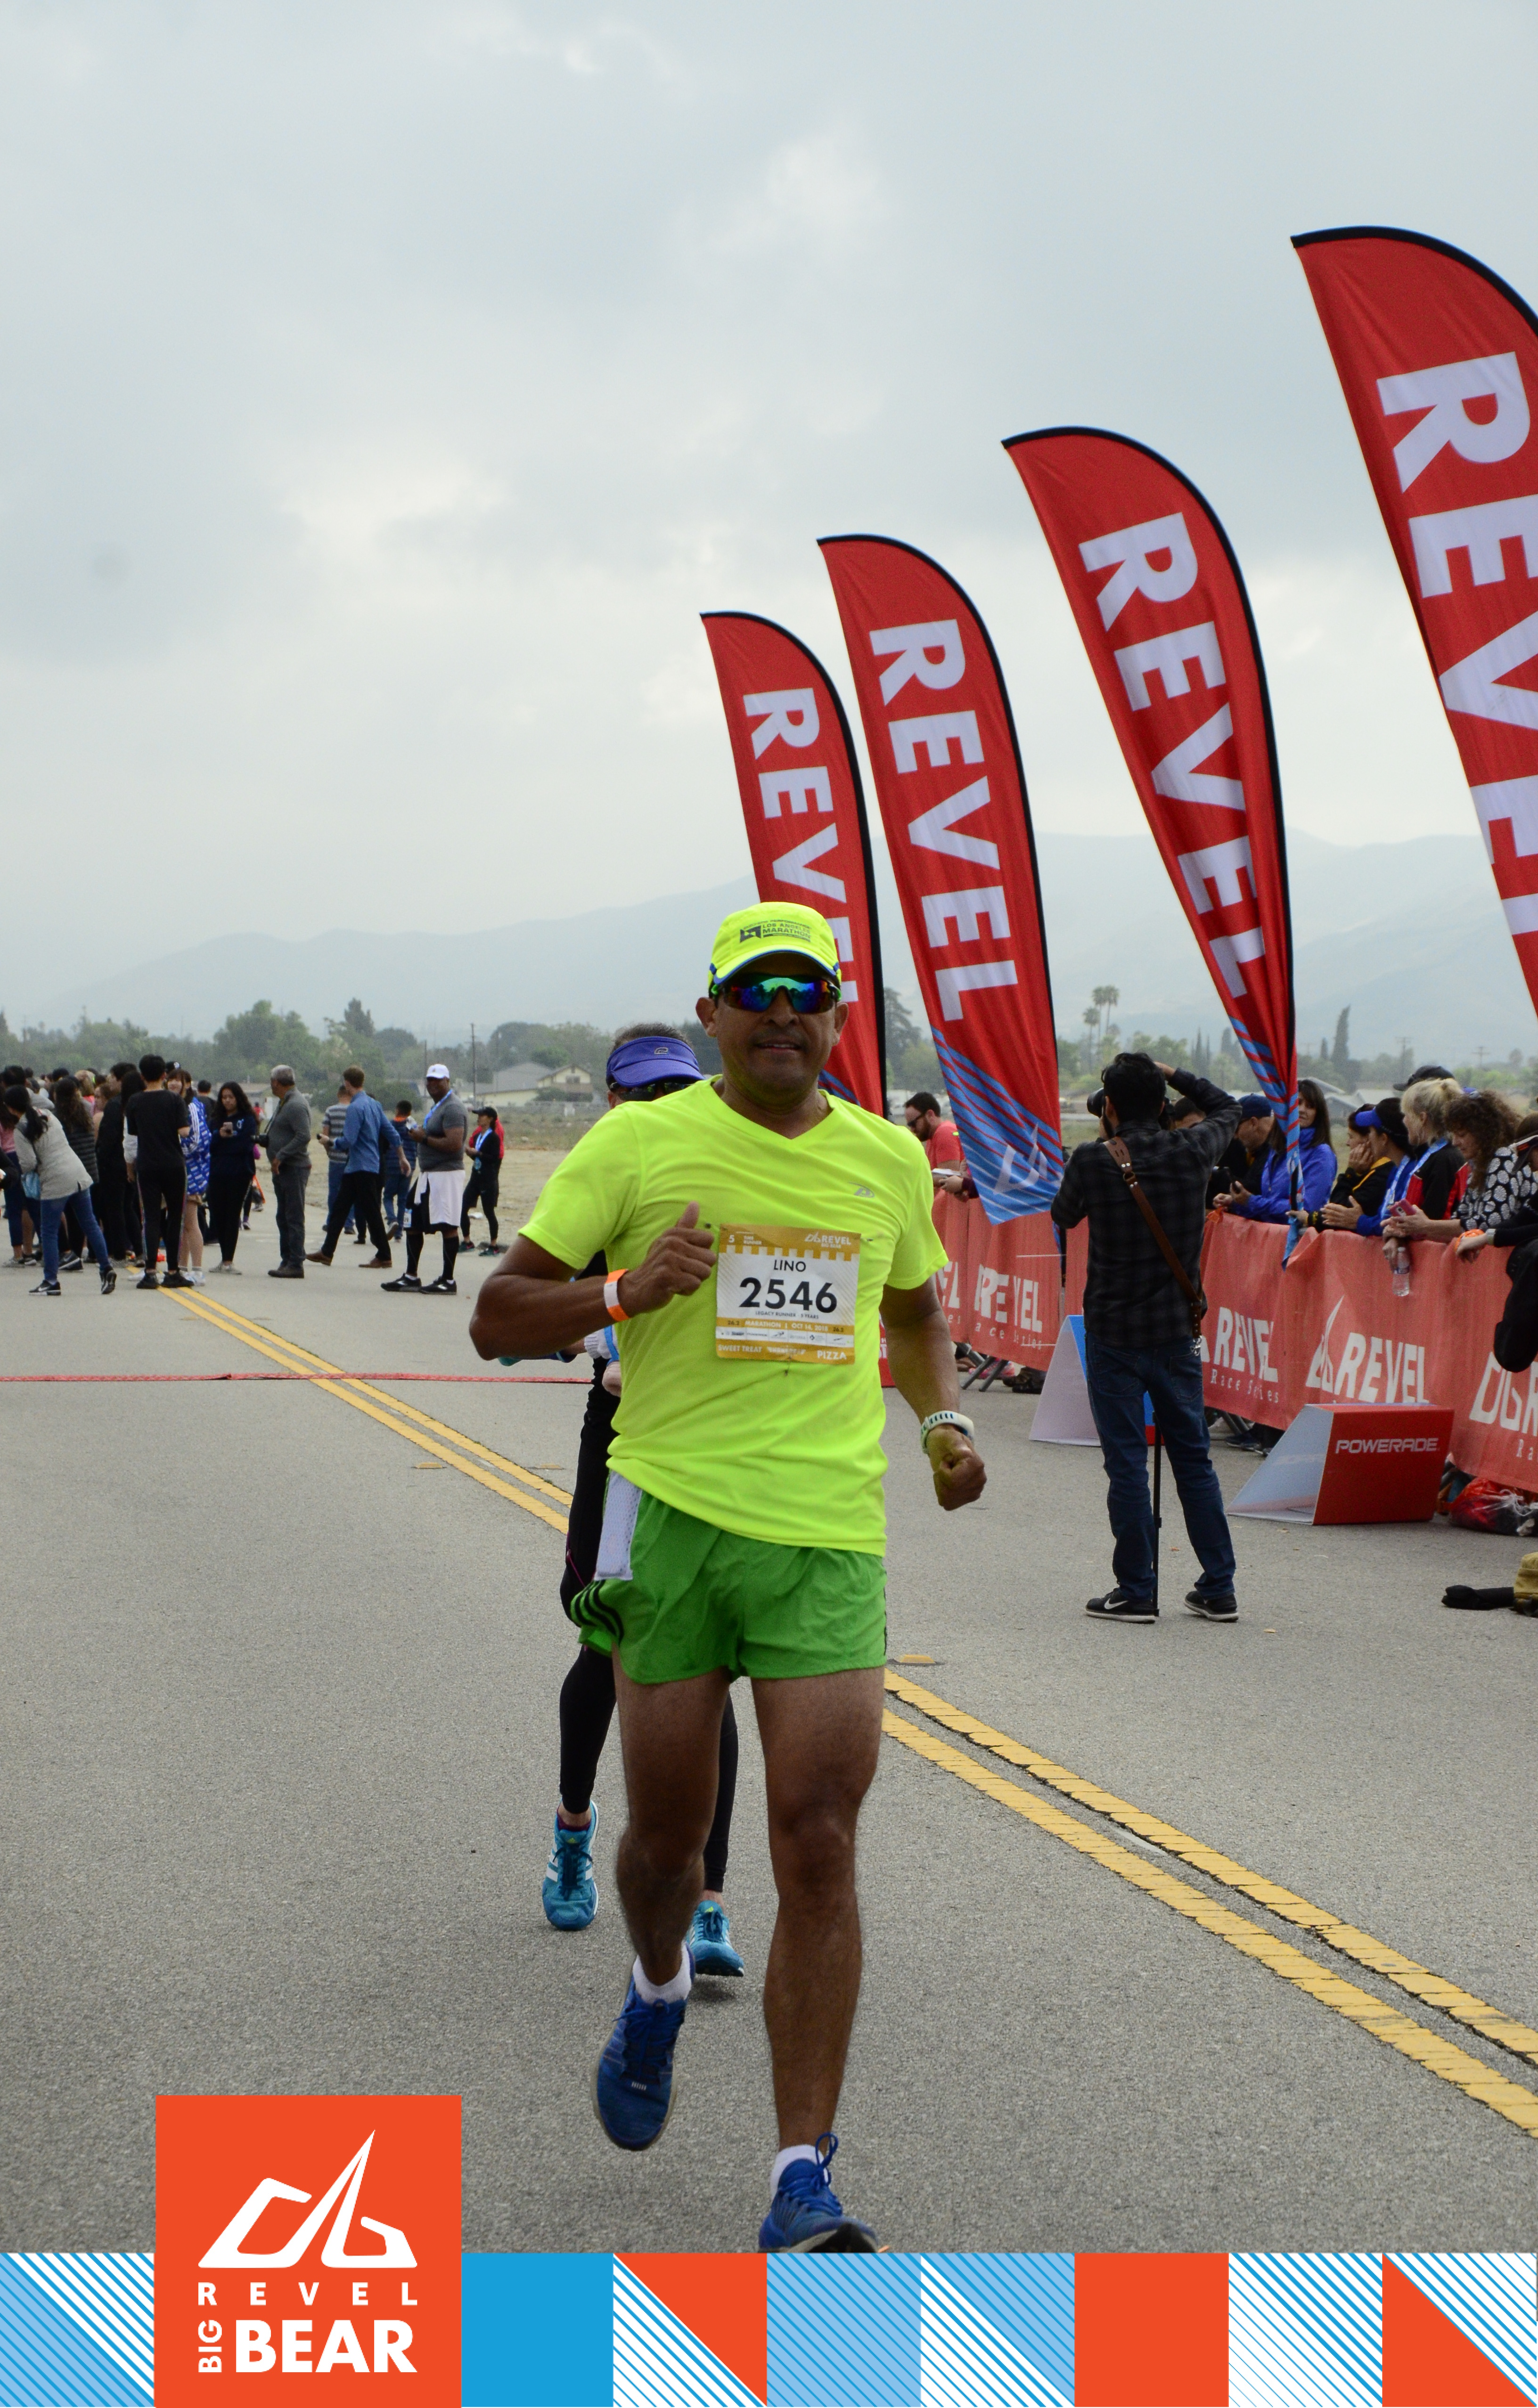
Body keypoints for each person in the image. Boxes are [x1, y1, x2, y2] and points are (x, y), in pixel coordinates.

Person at [469, 901, 985, 2253]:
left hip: (826, 1534)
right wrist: (622, 1291)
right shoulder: (637, 1145)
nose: (784, 1015)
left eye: (808, 993)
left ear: (840, 1018)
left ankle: (801, 2174)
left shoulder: (887, 1159)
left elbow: (916, 1311)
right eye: (758, 992)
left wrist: (941, 1421)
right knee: (666, 1840)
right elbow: (495, 1317)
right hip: (672, 1521)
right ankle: (653, 1989)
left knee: (818, 1838)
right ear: (713, 1015)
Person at [540, 1027, 744, 1979]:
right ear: (614, 1099)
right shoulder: (602, 1173)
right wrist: (607, 1328)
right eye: (645, 1092)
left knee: (710, 1665)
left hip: (716, 1437)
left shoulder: (729, 1172)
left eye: (676, 1089)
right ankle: (573, 1829)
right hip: (624, 1436)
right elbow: (537, 1309)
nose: (662, 1107)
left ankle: (708, 1902)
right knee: (606, 1646)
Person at [1052, 1054, 1240, 1625]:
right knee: (1194, 1460)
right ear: (1163, 1105)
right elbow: (1227, 1107)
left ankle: (1137, 1589)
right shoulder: (1192, 1149)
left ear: (1108, 1106)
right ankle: (1218, 1586)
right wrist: (1176, 1072)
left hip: (1113, 1335)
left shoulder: (1093, 1159)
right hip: (1176, 1332)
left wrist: (1102, 1144)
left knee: (1128, 1464)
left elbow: (1064, 1213)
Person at [0, 1086, 115, 1295]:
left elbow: (28, 1163)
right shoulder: (47, 1114)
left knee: (49, 1231)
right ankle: (106, 1268)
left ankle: (51, 1280)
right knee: (89, 1222)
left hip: (54, 1180)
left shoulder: (21, 1130)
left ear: (10, 1108)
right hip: (77, 1171)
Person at [1391, 1089, 1529, 1245]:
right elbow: (1460, 1222)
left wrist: (1427, 1225)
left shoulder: (1504, 1158)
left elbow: (1490, 1223)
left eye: (1462, 1135)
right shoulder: (1479, 1166)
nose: (1455, 1142)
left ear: (1484, 1133)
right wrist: (1406, 1230)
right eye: (1453, 1135)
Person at [383, 1065, 466, 1296]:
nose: (433, 1084)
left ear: (448, 1081)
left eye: (438, 1080)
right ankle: (411, 1276)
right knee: (411, 1221)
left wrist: (424, 1138)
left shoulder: (453, 1108)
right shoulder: (438, 1107)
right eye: (430, 1080)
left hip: (446, 1174)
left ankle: (448, 1280)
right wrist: (421, 1133)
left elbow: (454, 1144)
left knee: (448, 1225)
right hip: (429, 1175)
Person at [307, 1068, 401, 1269]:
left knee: (370, 1211)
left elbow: (348, 1140)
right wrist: (402, 1157)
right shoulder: (375, 1105)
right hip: (368, 1165)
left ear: (347, 1083)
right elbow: (391, 1133)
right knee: (341, 1208)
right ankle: (327, 1251)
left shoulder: (355, 1108)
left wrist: (330, 1141)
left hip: (359, 1166)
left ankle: (384, 1255)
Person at [125, 1054, 191, 1290]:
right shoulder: (174, 1100)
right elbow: (184, 1132)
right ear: (164, 1075)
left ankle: (151, 1271)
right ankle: (173, 1271)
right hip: (173, 1164)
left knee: (150, 1217)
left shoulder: (135, 1101)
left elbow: (133, 1134)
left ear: (142, 1076)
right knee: (175, 1217)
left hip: (147, 1164)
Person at [1310, 1100, 1406, 1233]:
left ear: (1370, 1140)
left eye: (1351, 1137)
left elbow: (1337, 1212)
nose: (1348, 1143)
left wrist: (1350, 1174)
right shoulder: (1376, 1170)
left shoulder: (1383, 1175)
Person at [262, 1066, 313, 1278]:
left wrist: (281, 1155)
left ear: (276, 1082)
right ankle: (287, 1259)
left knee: (293, 1216)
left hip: (294, 1167)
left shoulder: (296, 1104)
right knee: (283, 1216)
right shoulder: (286, 1102)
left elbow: (304, 1135)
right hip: (283, 1169)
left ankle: (296, 1262)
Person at [207, 1082, 261, 1271]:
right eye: (224, 1097)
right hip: (217, 1172)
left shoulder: (248, 1119)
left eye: (231, 1097)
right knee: (218, 1215)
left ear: (238, 1098)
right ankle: (224, 1258)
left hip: (239, 1172)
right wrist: (219, 1136)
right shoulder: (216, 1119)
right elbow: (209, 1144)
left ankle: (229, 1261)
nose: (228, 1101)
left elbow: (246, 1145)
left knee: (232, 1215)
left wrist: (229, 1143)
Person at [94, 1064, 143, 1263]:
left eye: (112, 1077)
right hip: (134, 1163)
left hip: (114, 1164)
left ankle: (119, 1252)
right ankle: (140, 1250)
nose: (110, 1080)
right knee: (129, 1208)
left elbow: (108, 1138)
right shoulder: (141, 1102)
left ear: (121, 1080)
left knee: (115, 1210)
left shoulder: (116, 1105)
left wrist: (101, 1160)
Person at [50, 1077, 99, 1270]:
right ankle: (77, 1254)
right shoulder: (85, 1110)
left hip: (68, 1169)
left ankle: (70, 1255)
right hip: (88, 1168)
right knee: (82, 1216)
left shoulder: (57, 1116)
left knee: (63, 1213)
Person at [1205, 1093, 1281, 1209]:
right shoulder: (1264, 1150)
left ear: (1253, 1123)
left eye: (1236, 1129)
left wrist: (1215, 1177)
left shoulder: (1279, 1152)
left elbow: (1257, 1189)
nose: (1235, 1136)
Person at [171, 1068, 211, 1285]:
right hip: (179, 1169)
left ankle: (197, 1269)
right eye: (171, 1080)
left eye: (179, 1080)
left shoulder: (192, 1107)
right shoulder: (174, 1104)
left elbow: (198, 1141)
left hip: (192, 1170)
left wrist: (176, 1149)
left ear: (187, 1084)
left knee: (191, 1222)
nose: (174, 1084)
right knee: (182, 1224)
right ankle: (182, 1266)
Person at [461, 1107, 504, 1253]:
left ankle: (494, 1245)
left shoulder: (494, 1137)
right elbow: (479, 1158)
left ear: (491, 1119)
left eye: (482, 1115)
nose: (479, 1118)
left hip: (488, 1179)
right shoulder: (478, 1136)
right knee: (463, 1207)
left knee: (489, 1212)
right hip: (476, 1178)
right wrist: (471, 1154)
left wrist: (478, 1153)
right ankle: (467, 1241)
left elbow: (493, 1158)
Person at [383, 1101, 417, 1239]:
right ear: (410, 1112)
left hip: (392, 1164)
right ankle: (399, 1232)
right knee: (403, 1199)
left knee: (388, 1196)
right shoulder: (413, 1126)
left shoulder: (389, 1125)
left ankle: (392, 1220)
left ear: (397, 1110)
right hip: (409, 1165)